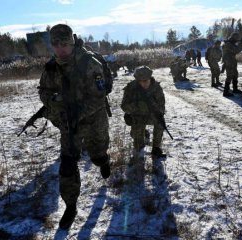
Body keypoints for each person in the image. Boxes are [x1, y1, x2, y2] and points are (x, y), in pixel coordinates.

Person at [38, 24, 111, 229]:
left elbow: (99, 97)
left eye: (65, 44)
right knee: (68, 164)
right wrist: (54, 100)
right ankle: (71, 206)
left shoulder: (90, 63)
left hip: (94, 120)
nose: (61, 49)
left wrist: (77, 113)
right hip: (69, 125)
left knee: (97, 154)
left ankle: (103, 160)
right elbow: (43, 91)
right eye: (56, 45)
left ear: (72, 42)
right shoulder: (51, 67)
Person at [121, 66, 166, 159]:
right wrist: (138, 107)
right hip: (137, 115)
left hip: (151, 114)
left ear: (150, 78)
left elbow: (162, 105)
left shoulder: (156, 87)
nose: (144, 83)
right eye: (141, 81)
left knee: (160, 123)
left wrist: (157, 111)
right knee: (137, 143)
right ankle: (141, 140)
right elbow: (124, 106)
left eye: (146, 80)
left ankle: (156, 148)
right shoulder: (131, 88)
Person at [222, 32, 242, 97]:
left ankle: (235, 89)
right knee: (229, 75)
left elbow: (237, 49)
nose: (237, 39)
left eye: (237, 38)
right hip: (229, 61)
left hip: (232, 61)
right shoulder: (228, 44)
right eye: (236, 38)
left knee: (235, 75)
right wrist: (241, 44)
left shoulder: (232, 43)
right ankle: (225, 92)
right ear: (233, 37)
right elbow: (236, 50)